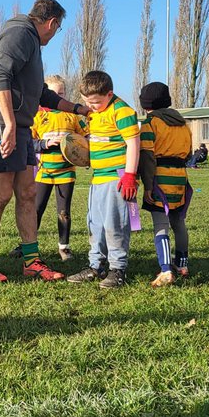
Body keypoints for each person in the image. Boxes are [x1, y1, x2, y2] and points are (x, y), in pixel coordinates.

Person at [0, 0, 86, 284]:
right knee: (1, 195)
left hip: (20, 125)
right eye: (58, 28)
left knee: (27, 193)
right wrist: (9, 124)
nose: (55, 33)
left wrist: (77, 109)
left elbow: (41, 94)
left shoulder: (32, 42)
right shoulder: (20, 33)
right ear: (52, 23)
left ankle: (31, 261)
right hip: (1, 123)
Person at [66, 70, 141, 289]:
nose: (91, 106)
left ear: (109, 94)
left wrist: (129, 175)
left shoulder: (122, 111)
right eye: (87, 102)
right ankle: (96, 266)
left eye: (96, 102)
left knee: (114, 225)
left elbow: (133, 144)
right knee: (95, 225)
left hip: (116, 178)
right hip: (97, 178)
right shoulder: (93, 113)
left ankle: (118, 269)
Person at [135, 81, 192, 287]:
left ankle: (166, 269)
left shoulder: (150, 124)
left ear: (145, 104)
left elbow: (148, 156)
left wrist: (148, 186)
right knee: (178, 222)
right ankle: (182, 264)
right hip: (181, 178)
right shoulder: (183, 124)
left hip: (160, 178)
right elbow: (189, 153)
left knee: (161, 225)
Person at [27, 75, 86, 262]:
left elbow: (86, 137)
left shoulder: (73, 116)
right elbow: (28, 142)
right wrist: (44, 143)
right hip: (44, 171)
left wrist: (82, 151)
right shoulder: (37, 116)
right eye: (53, 93)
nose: (57, 97)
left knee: (64, 212)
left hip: (66, 172)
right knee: (36, 209)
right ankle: (28, 244)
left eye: (61, 93)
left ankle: (64, 247)